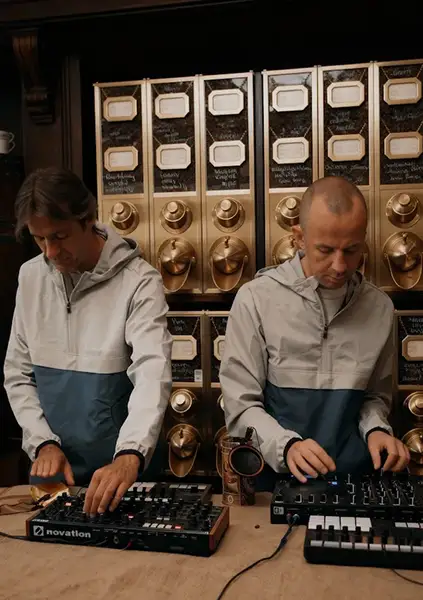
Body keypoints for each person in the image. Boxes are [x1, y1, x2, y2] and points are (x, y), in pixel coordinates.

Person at [219, 176, 410, 487]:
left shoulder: (379, 307)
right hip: (276, 483)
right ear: (299, 238)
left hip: (354, 484)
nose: (339, 265)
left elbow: (374, 397)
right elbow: (240, 407)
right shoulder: (256, 300)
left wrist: (376, 429)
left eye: (352, 250)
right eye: (325, 249)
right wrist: (287, 446)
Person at [3, 167, 173, 514]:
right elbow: (18, 374)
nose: (51, 252)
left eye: (60, 236)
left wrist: (130, 454)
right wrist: (43, 443)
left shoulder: (139, 282)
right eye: (39, 239)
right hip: (53, 470)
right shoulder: (31, 277)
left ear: (89, 219)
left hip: (121, 473)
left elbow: (152, 374)